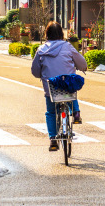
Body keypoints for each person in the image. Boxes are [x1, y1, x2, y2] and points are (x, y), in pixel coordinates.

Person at [30, 21, 87, 151]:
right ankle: (76, 113)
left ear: (47, 34)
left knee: (51, 112)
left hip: (50, 87)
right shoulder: (67, 46)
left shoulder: (41, 49)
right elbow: (81, 62)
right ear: (61, 33)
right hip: (67, 85)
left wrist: (42, 75)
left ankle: (53, 140)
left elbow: (35, 70)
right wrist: (83, 67)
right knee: (71, 85)